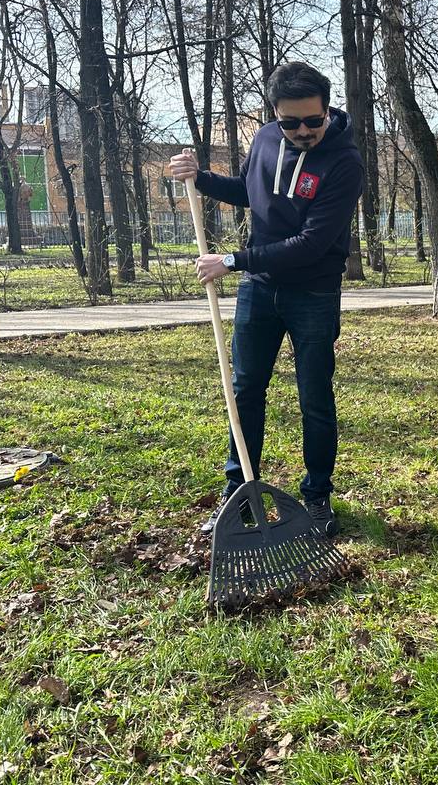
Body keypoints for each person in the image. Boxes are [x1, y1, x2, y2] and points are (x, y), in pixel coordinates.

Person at [169, 61, 365, 537]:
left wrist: (233, 261)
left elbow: (313, 244)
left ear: (326, 110)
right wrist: (201, 178)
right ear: (274, 115)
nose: (303, 132)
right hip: (260, 291)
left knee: (314, 396)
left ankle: (317, 496)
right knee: (244, 392)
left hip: (313, 292)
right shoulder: (264, 141)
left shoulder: (345, 162)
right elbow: (251, 191)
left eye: (313, 121)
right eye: (290, 122)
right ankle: (238, 494)